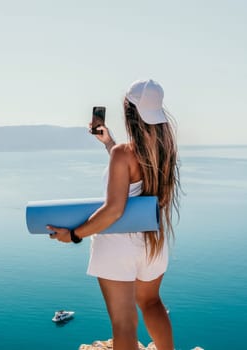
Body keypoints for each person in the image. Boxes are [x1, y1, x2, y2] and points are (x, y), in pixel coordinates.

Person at [48, 79, 180, 350]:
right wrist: (109, 143)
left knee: (123, 322)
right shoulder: (165, 149)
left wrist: (74, 235)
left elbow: (114, 210)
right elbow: (136, 173)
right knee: (152, 303)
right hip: (154, 241)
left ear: (129, 111)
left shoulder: (124, 153)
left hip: (118, 245)